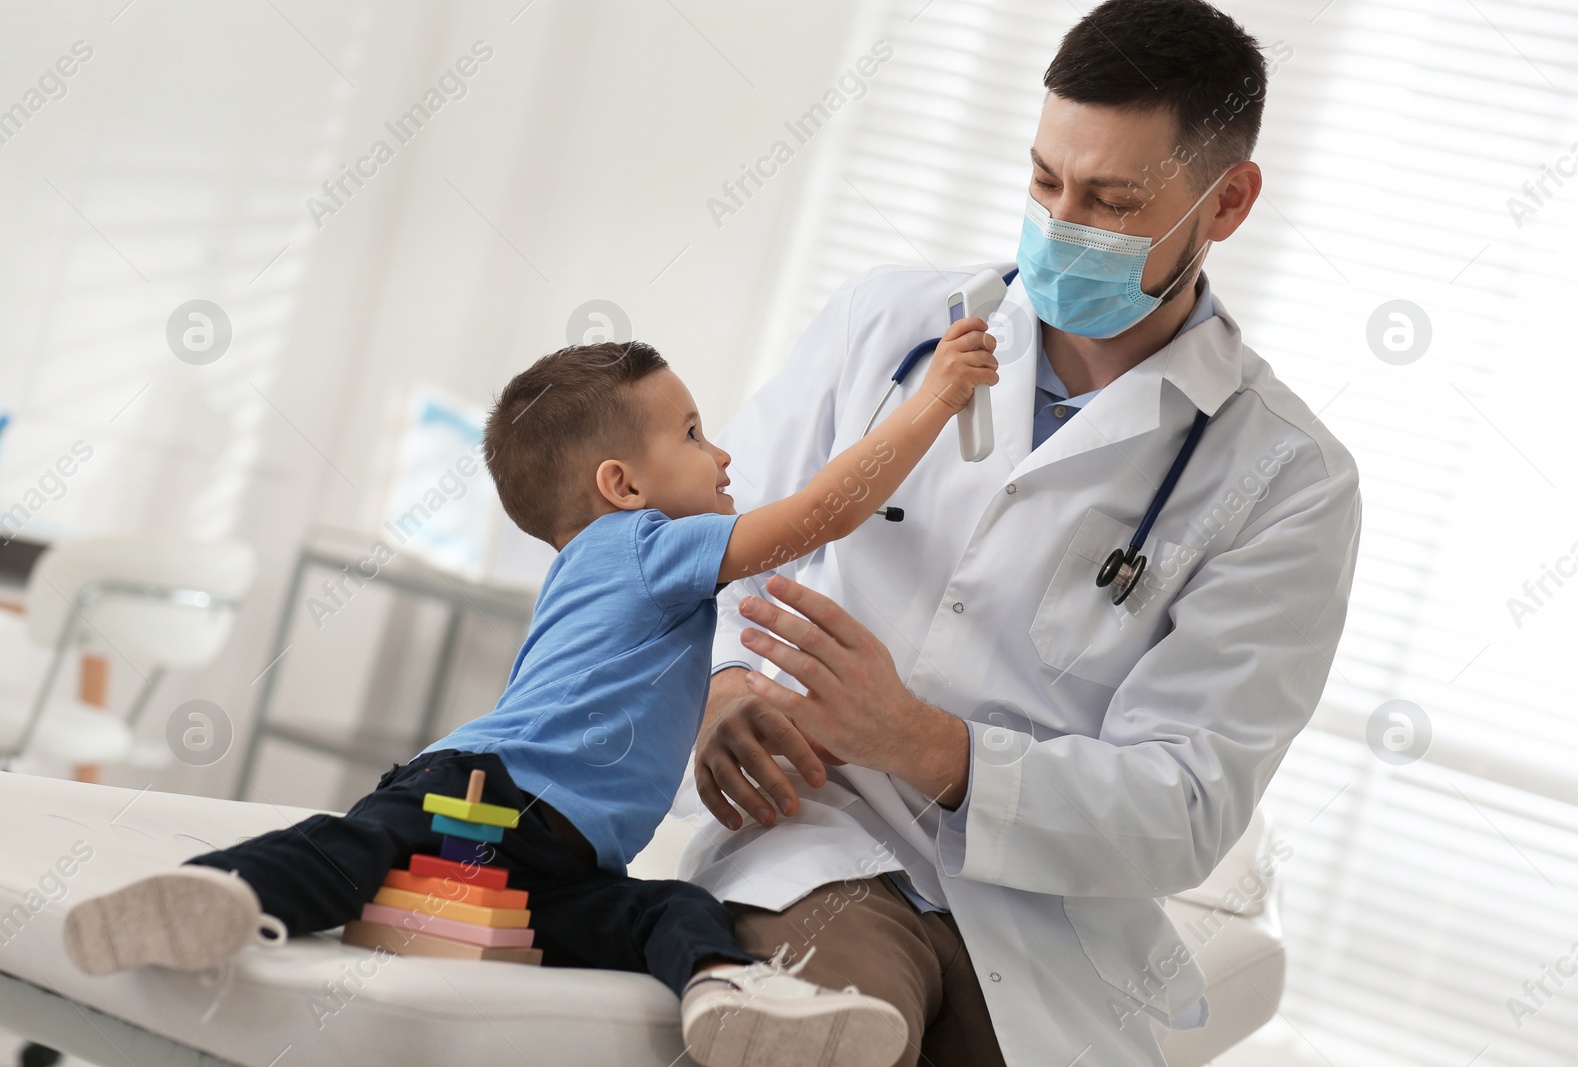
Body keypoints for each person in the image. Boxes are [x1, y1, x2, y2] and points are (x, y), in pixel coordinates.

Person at [683, 2, 1361, 1065]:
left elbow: (1185, 805)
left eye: (1110, 199)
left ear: (1227, 202)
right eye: (1044, 180)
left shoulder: (1285, 478)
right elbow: (708, 552)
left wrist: (924, 743)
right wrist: (721, 686)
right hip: (818, 839)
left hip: (1048, 925)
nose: (1057, 222)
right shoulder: (885, 328)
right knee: (827, 1029)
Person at [62, 331, 998, 1067]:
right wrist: (938, 400)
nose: (722, 455)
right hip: (487, 787)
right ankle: (211, 892)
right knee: (359, 843)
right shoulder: (643, 543)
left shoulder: (599, 562)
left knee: (659, 910)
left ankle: (732, 996)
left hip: (562, 859)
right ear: (622, 486)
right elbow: (821, 514)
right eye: (693, 432)